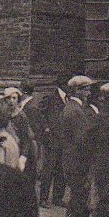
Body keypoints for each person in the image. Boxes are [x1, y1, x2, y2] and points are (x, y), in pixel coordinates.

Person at [59, 75, 97, 217]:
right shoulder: (74, 111)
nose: (88, 93)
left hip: (74, 161)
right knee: (77, 201)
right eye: (86, 89)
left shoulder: (74, 108)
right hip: (77, 163)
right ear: (77, 91)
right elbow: (83, 140)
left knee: (78, 199)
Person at [38, 75, 70, 208]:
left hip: (64, 140)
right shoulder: (51, 97)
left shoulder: (69, 99)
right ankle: (43, 198)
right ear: (62, 84)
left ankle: (58, 197)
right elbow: (40, 114)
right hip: (52, 140)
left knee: (61, 170)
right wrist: (46, 129)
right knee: (48, 170)